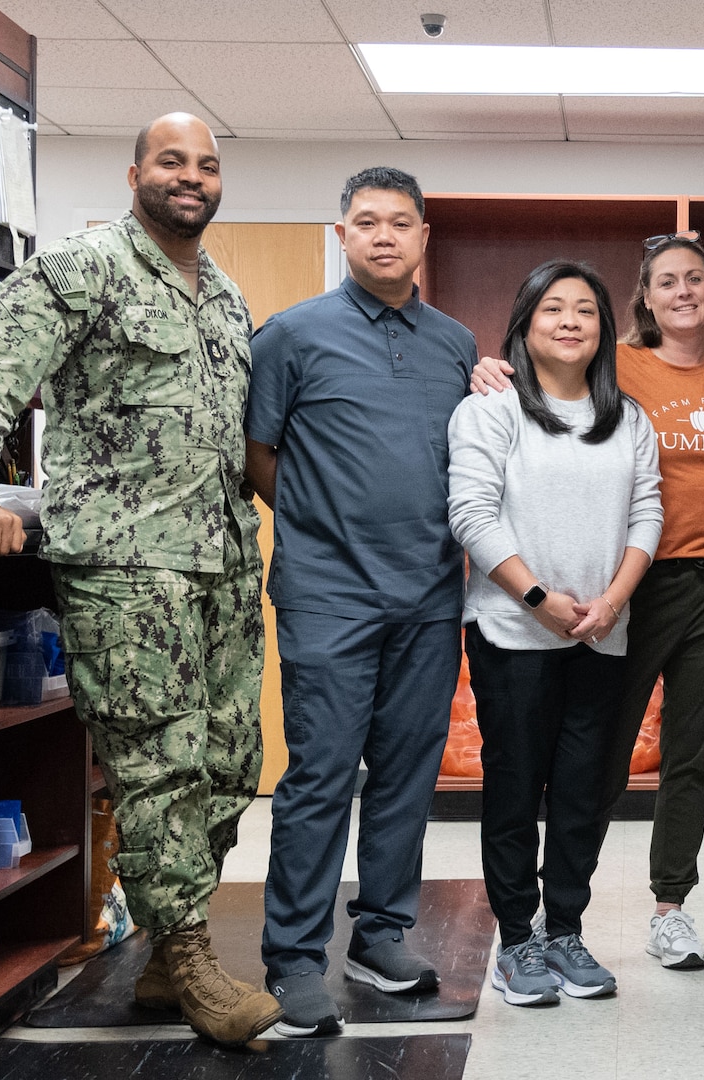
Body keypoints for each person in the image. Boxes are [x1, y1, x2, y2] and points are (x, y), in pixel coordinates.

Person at [0, 113, 281, 1047]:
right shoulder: (83, 269)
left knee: (230, 761)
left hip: (222, 561)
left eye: (207, 165)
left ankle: (162, 955)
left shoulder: (225, 298)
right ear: (135, 174)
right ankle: (190, 958)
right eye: (172, 161)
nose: (191, 177)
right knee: (159, 761)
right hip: (126, 565)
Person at [469, 234, 704, 972]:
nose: (684, 291)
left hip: (682, 591)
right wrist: (487, 367)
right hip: (594, 599)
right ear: (644, 299)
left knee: (664, 758)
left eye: (696, 278)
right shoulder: (591, 373)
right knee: (575, 767)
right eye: (667, 281)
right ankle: (538, 925)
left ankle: (638, 912)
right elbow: (477, 501)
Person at [245, 167, 479, 1037]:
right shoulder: (291, 337)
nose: (385, 236)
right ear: (342, 234)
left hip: (430, 596)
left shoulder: (456, 344)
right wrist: (321, 524)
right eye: (367, 222)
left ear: (423, 238)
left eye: (401, 222)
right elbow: (257, 452)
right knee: (320, 777)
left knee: (406, 778)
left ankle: (380, 936)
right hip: (328, 597)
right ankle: (294, 959)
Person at [448, 260, 663, 1006]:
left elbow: (648, 514)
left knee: (581, 792)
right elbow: (471, 514)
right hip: (513, 632)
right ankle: (516, 940)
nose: (570, 321)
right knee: (514, 788)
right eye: (553, 308)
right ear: (525, 323)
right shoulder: (491, 409)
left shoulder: (628, 419)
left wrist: (612, 602)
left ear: (605, 329)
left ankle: (565, 929)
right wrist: (538, 598)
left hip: (601, 634)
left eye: (586, 310)